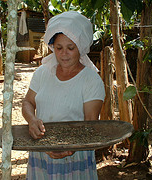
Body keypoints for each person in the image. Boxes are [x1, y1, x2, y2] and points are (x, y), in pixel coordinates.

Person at [22, 11, 105, 180]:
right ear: (53, 47)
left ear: (80, 47)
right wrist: (32, 120)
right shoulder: (42, 73)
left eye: (70, 48)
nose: (63, 54)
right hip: (42, 152)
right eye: (59, 48)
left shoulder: (91, 80)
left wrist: (69, 148)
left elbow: (90, 124)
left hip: (75, 156)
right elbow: (28, 102)